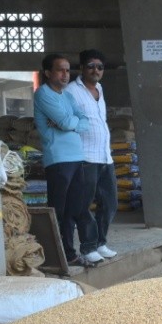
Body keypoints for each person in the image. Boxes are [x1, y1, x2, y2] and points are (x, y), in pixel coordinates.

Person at [33, 52, 100, 267]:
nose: (65, 75)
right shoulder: (43, 94)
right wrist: (69, 123)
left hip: (76, 157)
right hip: (58, 159)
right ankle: (55, 256)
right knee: (59, 210)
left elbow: (84, 121)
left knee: (74, 209)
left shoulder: (67, 96)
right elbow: (65, 122)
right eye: (60, 70)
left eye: (67, 70)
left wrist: (70, 123)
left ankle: (70, 254)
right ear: (47, 73)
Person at [68, 48, 119, 261]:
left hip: (105, 156)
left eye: (99, 67)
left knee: (110, 203)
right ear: (82, 68)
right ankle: (88, 248)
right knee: (85, 204)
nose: (95, 70)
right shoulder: (71, 91)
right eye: (91, 66)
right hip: (85, 157)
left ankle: (100, 242)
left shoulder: (99, 88)